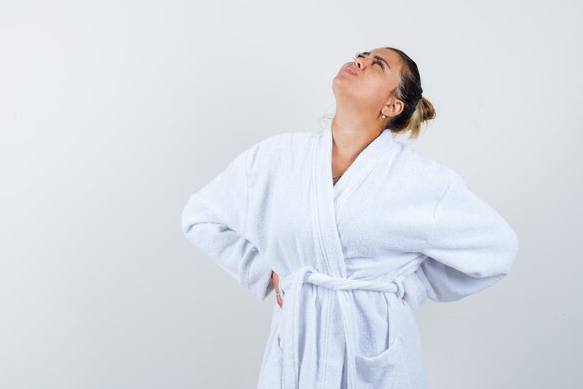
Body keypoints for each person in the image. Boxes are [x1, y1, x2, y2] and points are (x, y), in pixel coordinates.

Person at [181, 47, 519, 389]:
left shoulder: (421, 181)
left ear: (392, 106)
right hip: (297, 349)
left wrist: (410, 284)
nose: (360, 62)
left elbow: (497, 249)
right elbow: (201, 217)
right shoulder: (276, 158)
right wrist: (265, 273)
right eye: (362, 55)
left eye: (377, 65)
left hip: (375, 354)